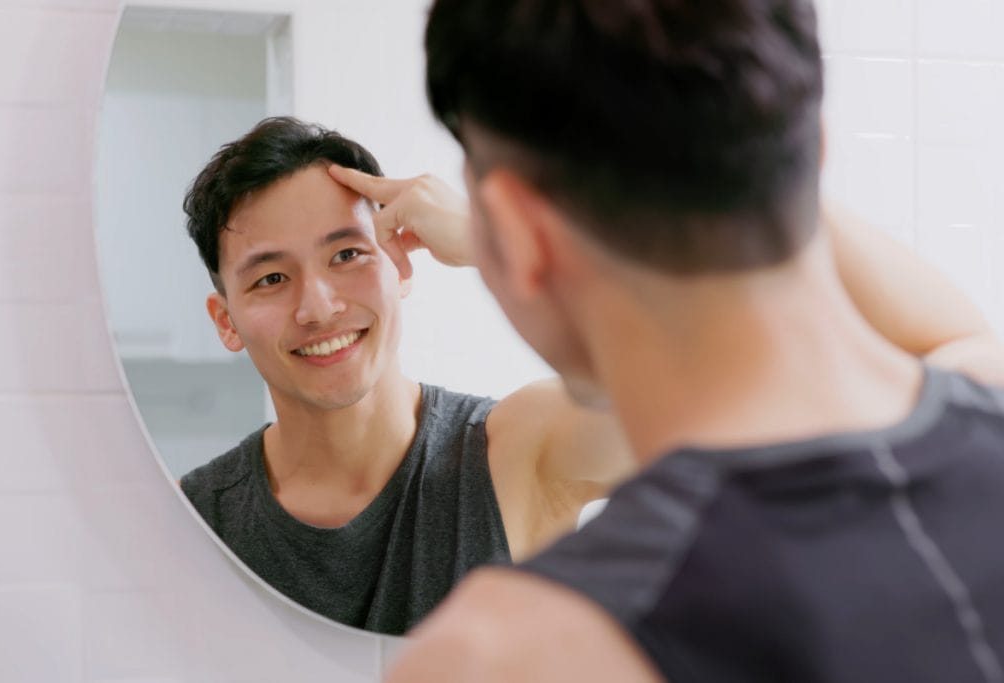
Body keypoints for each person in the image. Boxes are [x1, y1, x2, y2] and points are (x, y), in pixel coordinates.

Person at [385, 0, 1004, 680]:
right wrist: (740, 139)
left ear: (519, 233)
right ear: (812, 154)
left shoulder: (512, 653)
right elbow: (951, 336)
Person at [179, 117, 631, 635]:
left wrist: (493, 244)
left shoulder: (522, 449)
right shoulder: (190, 521)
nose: (319, 308)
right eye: (272, 278)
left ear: (401, 267)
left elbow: (721, 398)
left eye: (347, 254)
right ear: (225, 321)